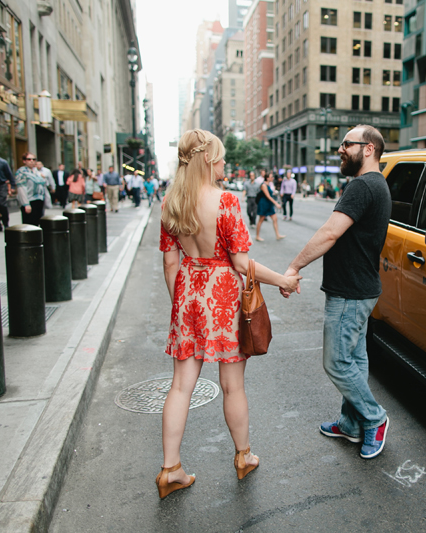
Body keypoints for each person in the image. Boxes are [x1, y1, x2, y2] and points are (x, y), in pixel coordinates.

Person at [157, 129, 301, 498]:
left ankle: (170, 469)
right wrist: (282, 280)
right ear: (208, 159)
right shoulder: (226, 202)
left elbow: (170, 263)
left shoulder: (169, 202)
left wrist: (183, 306)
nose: (224, 164)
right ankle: (243, 456)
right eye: (220, 158)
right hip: (222, 296)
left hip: (188, 293)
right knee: (232, 385)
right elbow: (240, 262)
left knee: (179, 386)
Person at [282, 125, 391, 459]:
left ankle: (375, 418)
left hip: (350, 293)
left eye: (347, 144)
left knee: (336, 362)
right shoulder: (378, 184)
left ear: (369, 148)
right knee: (355, 360)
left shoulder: (361, 185)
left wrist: (295, 266)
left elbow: (330, 232)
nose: (340, 149)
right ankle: (351, 424)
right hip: (361, 289)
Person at [14, 152, 48, 226]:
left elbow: (44, 184)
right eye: (29, 159)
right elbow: (21, 189)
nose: (32, 161)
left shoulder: (36, 172)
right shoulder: (21, 172)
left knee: (37, 224)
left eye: (33, 159)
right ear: (24, 161)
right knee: (29, 225)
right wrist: (26, 204)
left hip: (39, 200)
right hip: (29, 200)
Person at [255, 172, 285, 242]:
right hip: (263, 204)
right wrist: (276, 203)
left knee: (275, 219)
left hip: (269, 204)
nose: (273, 178)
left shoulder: (269, 184)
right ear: (267, 178)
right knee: (261, 220)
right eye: (271, 177)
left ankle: (277, 235)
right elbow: (268, 196)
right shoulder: (263, 185)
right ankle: (257, 236)